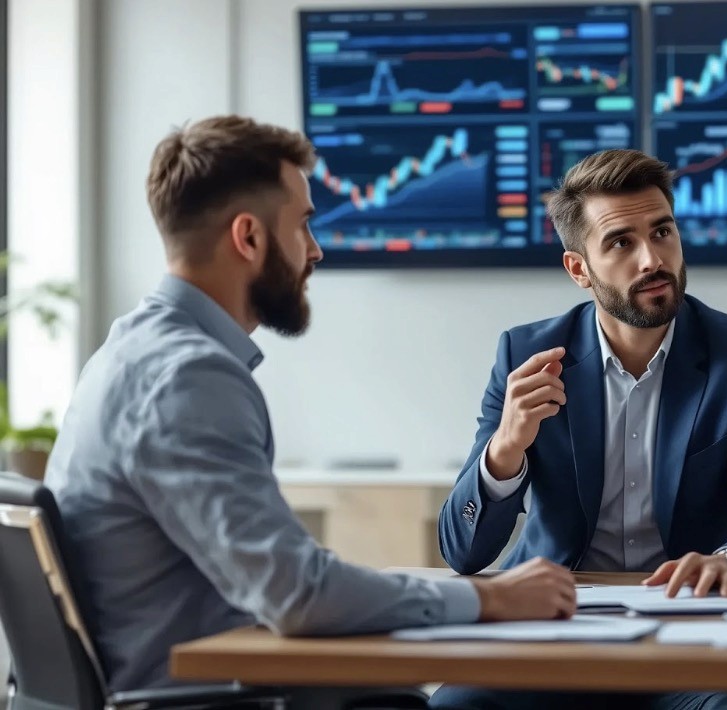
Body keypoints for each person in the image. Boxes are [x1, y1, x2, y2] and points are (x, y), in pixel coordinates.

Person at [43, 115, 577, 695]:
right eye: (303, 225)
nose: (316, 251)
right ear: (248, 237)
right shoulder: (188, 377)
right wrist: (490, 596)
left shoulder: (129, 349)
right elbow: (299, 595)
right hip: (202, 699)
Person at [432, 149, 727, 710]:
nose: (652, 259)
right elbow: (463, 552)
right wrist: (505, 448)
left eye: (662, 232)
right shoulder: (527, 355)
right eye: (620, 243)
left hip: (694, 634)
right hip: (557, 631)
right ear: (578, 269)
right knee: (455, 706)